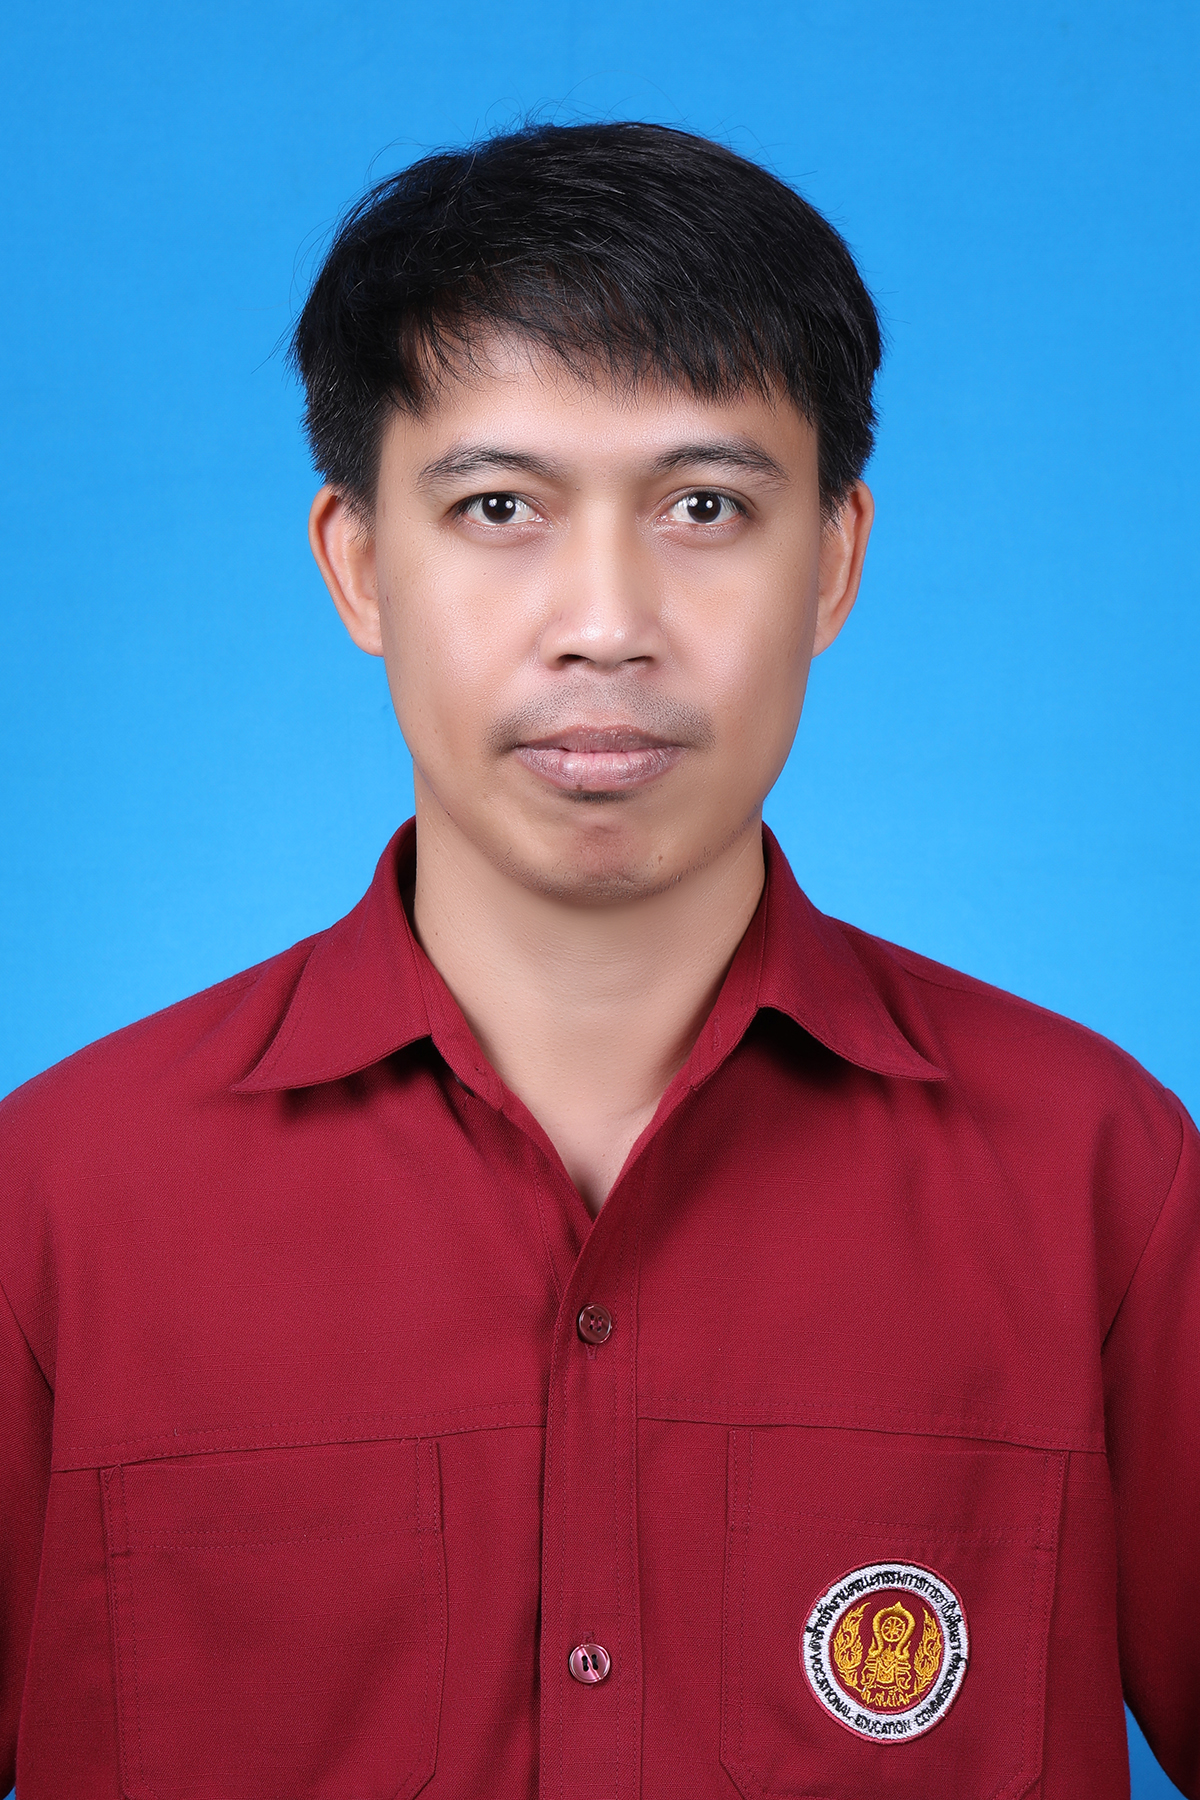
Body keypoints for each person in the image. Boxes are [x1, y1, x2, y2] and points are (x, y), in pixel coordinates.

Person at [0, 119, 1195, 1800]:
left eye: (706, 505)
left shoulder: (1101, 1176)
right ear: (358, 565)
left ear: (834, 561)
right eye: (499, 506)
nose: (607, 623)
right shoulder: (54, 1204)